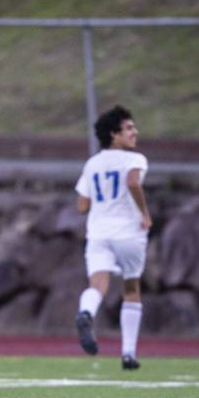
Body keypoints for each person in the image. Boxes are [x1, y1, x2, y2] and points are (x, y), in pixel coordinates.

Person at [74, 105, 153, 370]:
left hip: (98, 232)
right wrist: (144, 212)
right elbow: (132, 182)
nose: (135, 132)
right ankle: (128, 353)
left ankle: (87, 313)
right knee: (131, 288)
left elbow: (82, 205)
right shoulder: (135, 159)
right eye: (128, 128)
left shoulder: (92, 163)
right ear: (113, 135)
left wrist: (103, 199)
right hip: (128, 232)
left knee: (98, 284)